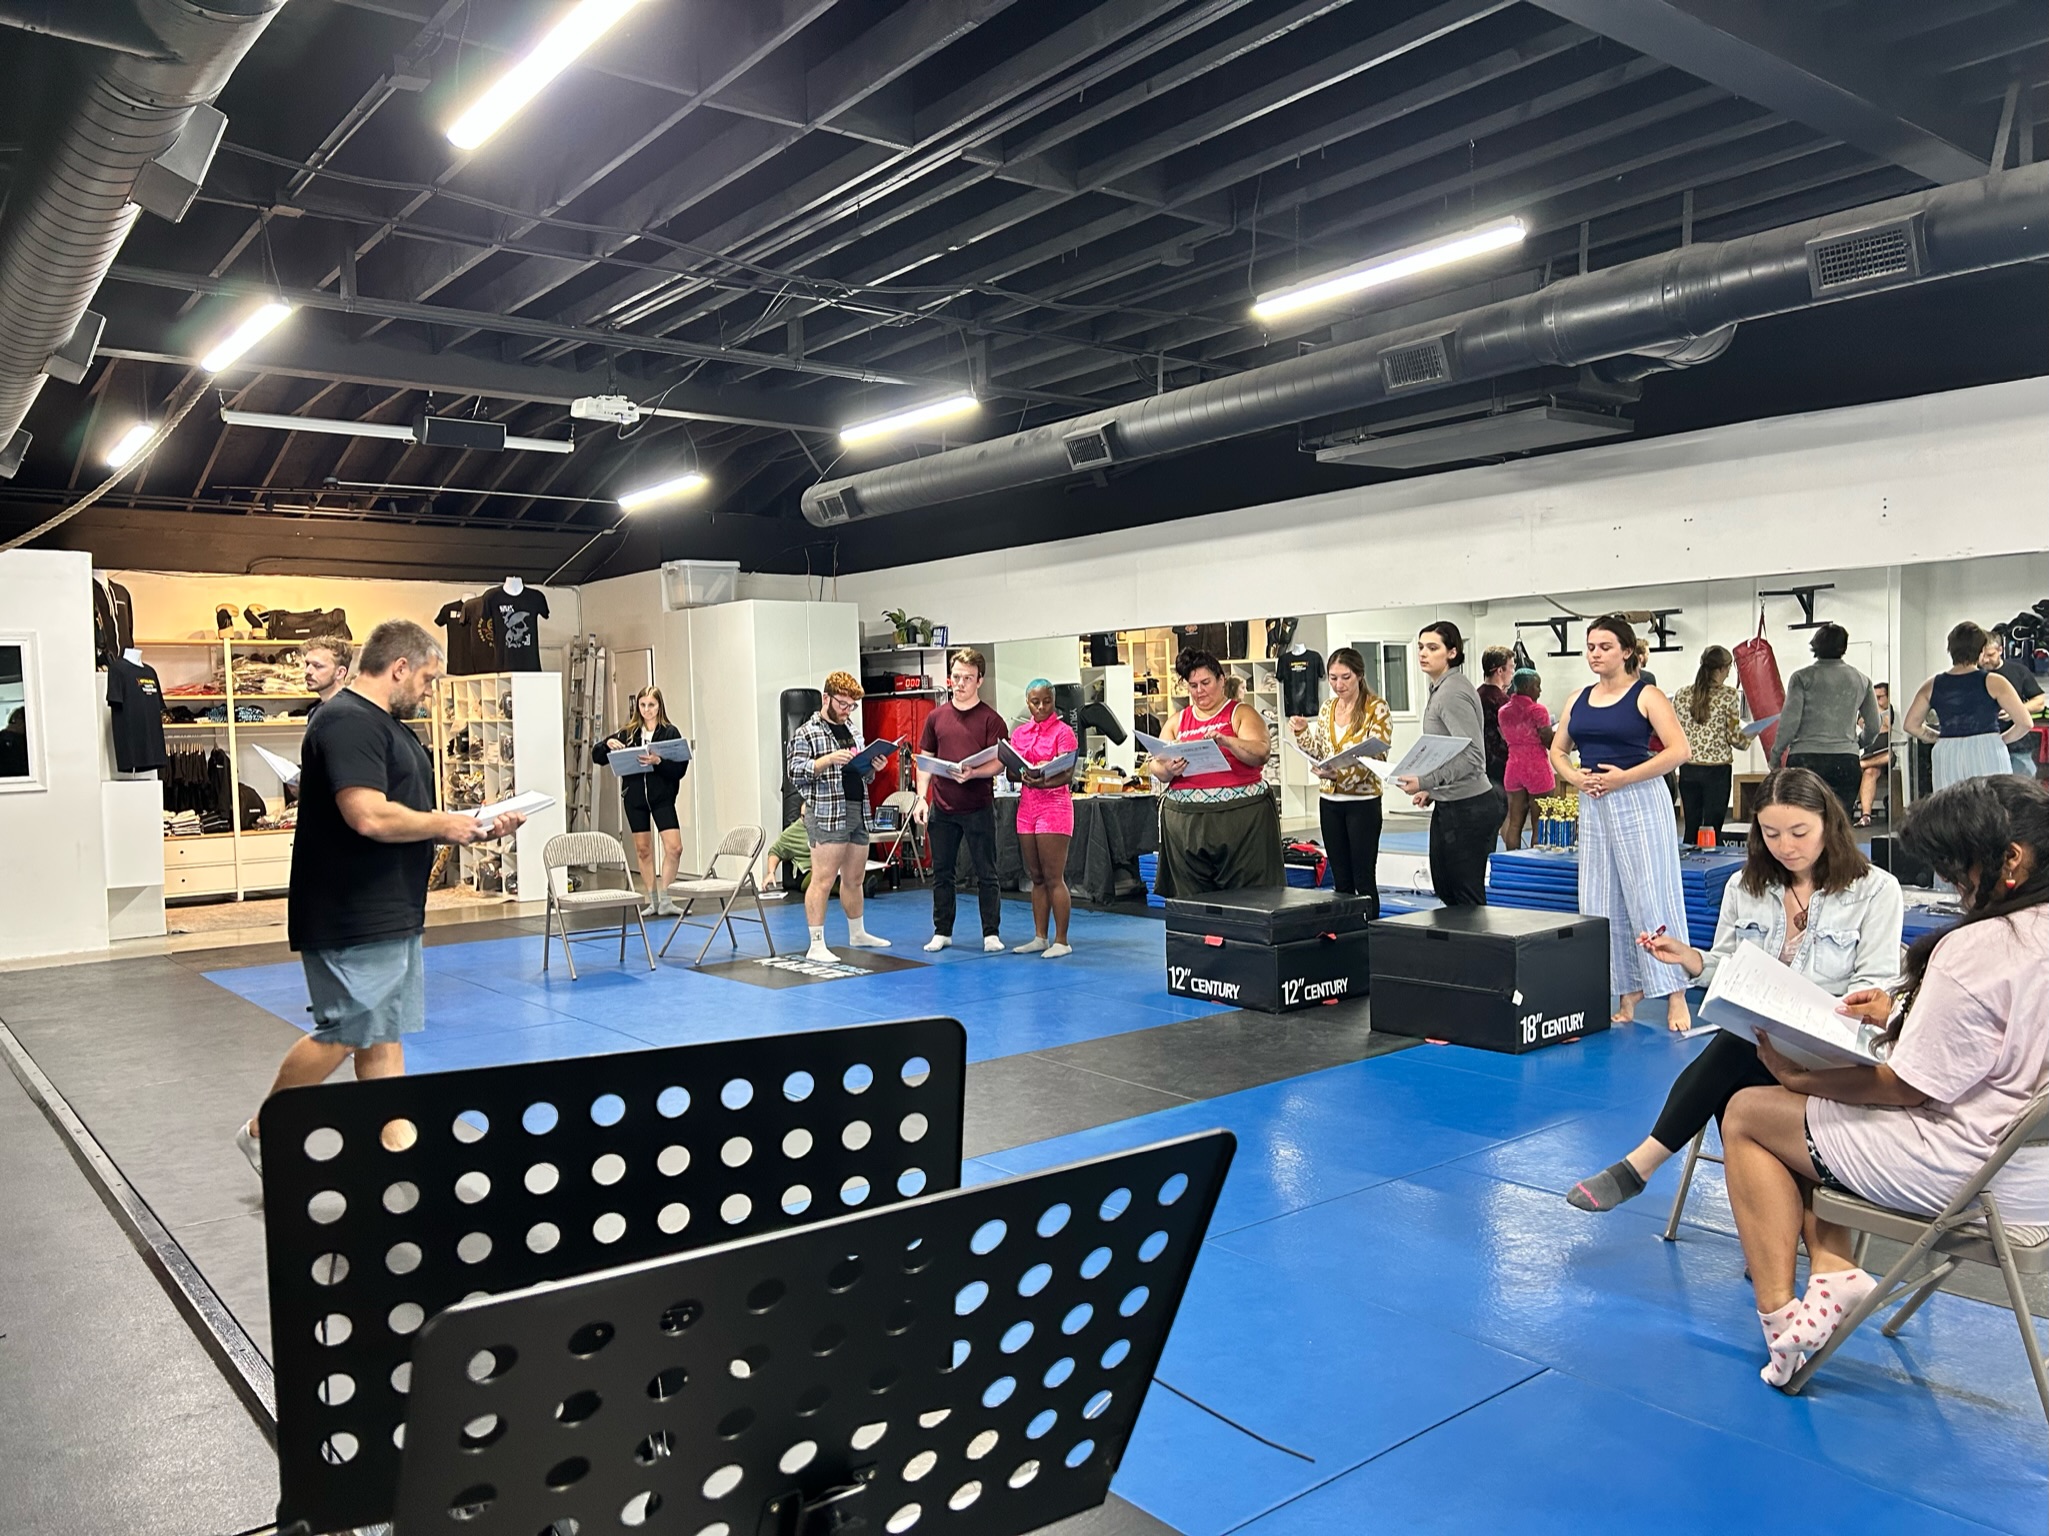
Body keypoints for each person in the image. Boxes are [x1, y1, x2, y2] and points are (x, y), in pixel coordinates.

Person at [1720, 776, 2049, 1387]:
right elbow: (2003, 1039)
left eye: (1958, 868)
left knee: (1749, 1113)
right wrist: (1902, 1015)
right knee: (1805, 1122)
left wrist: (1801, 1079)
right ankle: (1830, 1272)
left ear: (2011, 860)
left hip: (1967, 1171)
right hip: (2035, 1171)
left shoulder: (1980, 946)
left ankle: (1782, 1321)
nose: (1955, 885)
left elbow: (1905, 1086)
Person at [235, 621, 522, 1174]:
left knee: (381, 1035)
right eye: (428, 679)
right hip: (349, 908)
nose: (428, 691)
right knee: (348, 1028)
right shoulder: (346, 720)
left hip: (390, 904)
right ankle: (262, 1130)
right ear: (400, 668)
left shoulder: (386, 726)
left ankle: (398, 1153)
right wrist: (449, 823)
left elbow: (404, 811)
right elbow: (366, 814)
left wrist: (470, 825)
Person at [1565, 767, 1902, 1213]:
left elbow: (1872, 984)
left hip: (1831, 1047)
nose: (1786, 846)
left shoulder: (1876, 890)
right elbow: (1729, 968)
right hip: (1764, 1041)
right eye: (1772, 833)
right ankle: (1780, 1227)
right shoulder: (1745, 886)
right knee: (1742, 1064)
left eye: (1800, 832)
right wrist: (1690, 958)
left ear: (1829, 824)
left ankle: (1643, 1167)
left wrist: (1844, 1006)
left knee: (1736, 1053)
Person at [1549, 614, 1695, 1029]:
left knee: (1651, 893)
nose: (1595, 654)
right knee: (1601, 899)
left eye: (1605, 647)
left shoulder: (1647, 695)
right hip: (1595, 801)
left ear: (1627, 651)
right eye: (1591, 647)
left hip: (1639, 796)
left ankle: (1674, 993)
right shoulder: (1577, 697)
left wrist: (1626, 777)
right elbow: (1558, 750)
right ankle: (1626, 992)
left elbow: (1678, 750)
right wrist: (1574, 776)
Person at [1148, 647, 1283, 896]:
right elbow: (1156, 762)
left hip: (1241, 822)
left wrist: (1227, 741)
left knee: (1249, 895)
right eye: (1193, 685)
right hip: (1186, 825)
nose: (1200, 691)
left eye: (1206, 683)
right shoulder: (1177, 720)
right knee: (1191, 897)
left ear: (1222, 680)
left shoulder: (1241, 713)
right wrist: (1167, 769)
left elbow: (1261, 752)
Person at [1395, 621, 1504, 906]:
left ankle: (1476, 950)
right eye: (1420, 647)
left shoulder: (1452, 693)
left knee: (1465, 898)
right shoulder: (1441, 688)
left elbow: (1472, 756)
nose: (1423, 653)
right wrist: (1432, 790)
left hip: (1469, 807)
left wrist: (1425, 781)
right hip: (1452, 803)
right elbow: (1449, 750)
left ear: (1452, 652)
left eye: (1433, 648)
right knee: (1447, 891)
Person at [787, 672, 890, 963]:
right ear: (826, 698)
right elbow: (795, 772)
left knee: (855, 877)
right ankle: (816, 942)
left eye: (851, 705)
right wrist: (827, 760)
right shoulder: (807, 733)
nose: (846, 710)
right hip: (827, 813)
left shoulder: (853, 729)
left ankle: (857, 931)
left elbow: (863, 773)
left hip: (857, 808)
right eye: (842, 704)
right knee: (822, 878)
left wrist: (874, 766)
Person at [913, 649, 1009, 952]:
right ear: (949, 678)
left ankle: (990, 933)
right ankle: (942, 930)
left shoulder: (991, 719)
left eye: (968, 678)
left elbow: (1000, 763)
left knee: (986, 872)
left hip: (978, 805)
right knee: (942, 872)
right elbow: (925, 760)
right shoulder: (936, 717)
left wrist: (975, 773)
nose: (961, 683)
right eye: (956, 677)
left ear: (979, 680)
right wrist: (920, 798)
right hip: (943, 805)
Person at [1289, 645, 1393, 910]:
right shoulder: (1327, 708)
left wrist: (1339, 774)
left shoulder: (1376, 708)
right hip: (1329, 801)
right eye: (1333, 678)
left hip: (1363, 801)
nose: (1338, 684)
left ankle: (1368, 930)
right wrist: (1301, 733)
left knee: (1363, 876)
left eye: (1345, 677)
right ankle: (1346, 931)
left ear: (1359, 675)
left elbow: (1376, 759)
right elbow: (1321, 751)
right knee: (1341, 878)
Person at [1904, 622, 2034, 791]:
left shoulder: (1931, 685)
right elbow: (2025, 723)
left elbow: (1910, 725)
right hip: (1988, 749)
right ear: (1981, 651)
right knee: (1991, 807)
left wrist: (1938, 737)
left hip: (1947, 751)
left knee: (1950, 807)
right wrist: (1999, 740)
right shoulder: (1995, 682)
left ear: (1950, 650)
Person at [593, 685, 688, 916]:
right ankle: (653, 899)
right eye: (643, 705)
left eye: (651, 705)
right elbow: (597, 756)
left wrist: (658, 762)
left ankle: (666, 898)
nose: (647, 710)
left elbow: (679, 768)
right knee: (643, 850)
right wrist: (607, 744)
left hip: (662, 798)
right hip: (635, 799)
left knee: (674, 848)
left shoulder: (669, 732)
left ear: (659, 706)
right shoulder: (629, 732)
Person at [1775, 622, 1882, 815]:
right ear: (1844, 647)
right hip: (1844, 759)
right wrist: (1859, 743)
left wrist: (1776, 755)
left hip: (1806, 758)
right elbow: (1874, 725)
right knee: (1838, 825)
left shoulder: (1801, 678)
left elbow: (1790, 722)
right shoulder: (1861, 679)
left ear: (1815, 645)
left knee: (1803, 822)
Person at [1012, 679, 1080, 956]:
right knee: (1036, 876)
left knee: (1054, 876)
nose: (1041, 707)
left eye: (1046, 701)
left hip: (1055, 807)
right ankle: (1039, 936)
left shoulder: (1064, 732)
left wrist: (1041, 780)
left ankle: (1061, 940)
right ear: (1027, 703)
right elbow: (1010, 770)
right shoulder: (1020, 733)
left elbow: (1067, 774)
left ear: (1054, 701)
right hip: (1026, 808)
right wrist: (1025, 775)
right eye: (1035, 702)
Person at [1672, 645, 1745, 844]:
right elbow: (1735, 738)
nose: (1729, 672)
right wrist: (1749, 736)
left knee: (1691, 827)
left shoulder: (1682, 694)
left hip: (1688, 768)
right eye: (1729, 668)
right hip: (1717, 771)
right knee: (1713, 828)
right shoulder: (1728, 695)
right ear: (1721, 669)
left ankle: (1687, 871)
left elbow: (1674, 731)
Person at [1497, 668, 1554, 849]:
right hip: (1536, 767)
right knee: (1540, 823)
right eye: (1537, 686)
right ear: (1528, 687)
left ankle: (1513, 863)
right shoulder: (1537, 710)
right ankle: (1535, 866)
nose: (1540, 691)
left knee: (1514, 822)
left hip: (1513, 766)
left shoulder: (1503, 711)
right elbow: (1548, 740)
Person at [1984, 625, 2047, 778]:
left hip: (2019, 747)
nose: (1986, 660)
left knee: (2022, 793)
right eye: (1982, 655)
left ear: (2000, 650)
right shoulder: (1975, 675)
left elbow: (2039, 701)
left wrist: (2016, 710)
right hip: (1985, 745)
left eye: (1990, 654)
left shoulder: (2019, 671)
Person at [1857, 681, 1894, 827]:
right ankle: (1865, 816)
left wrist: (1876, 711)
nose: (1877, 701)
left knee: (1888, 756)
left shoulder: (1890, 710)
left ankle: (1861, 764)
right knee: (1869, 772)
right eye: (1874, 697)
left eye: (1880, 697)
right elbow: (1863, 724)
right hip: (1870, 755)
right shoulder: (1867, 710)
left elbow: (1886, 725)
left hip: (1887, 753)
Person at [1478, 645, 1513, 788]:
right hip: (1500, 766)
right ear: (1500, 670)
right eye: (1511, 667)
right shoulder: (1502, 702)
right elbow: (1510, 736)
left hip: (1480, 765)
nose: (1513, 672)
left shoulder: (1475, 695)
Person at [301, 635, 351, 712]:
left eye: (317, 666)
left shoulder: (346, 712)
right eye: (307, 664)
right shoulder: (319, 710)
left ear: (340, 673)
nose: (307, 671)